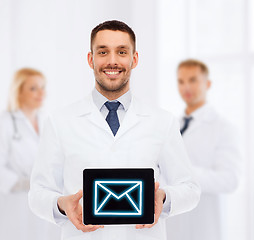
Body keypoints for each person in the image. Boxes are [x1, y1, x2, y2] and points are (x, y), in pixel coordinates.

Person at [28, 20, 201, 240]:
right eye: (103, 52)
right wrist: (61, 205)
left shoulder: (162, 121)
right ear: (91, 59)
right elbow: (37, 194)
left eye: (121, 52)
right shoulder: (60, 121)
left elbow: (190, 189)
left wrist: (163, 198)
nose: (112, 61)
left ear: (134, 59)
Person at [166, 59, 241, 240]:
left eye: (193, 80)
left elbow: (230, 180)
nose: (186, 88)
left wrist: (186, 176)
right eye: (181, 81)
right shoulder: (171, 125)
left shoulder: (222, 127)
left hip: (203, 225)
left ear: (207, 84)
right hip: (173, 222)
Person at [0, 68, 60, 240]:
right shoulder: (4, 123)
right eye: (33, 88)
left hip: (44, 203)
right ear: (18, 92)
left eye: (43, 87)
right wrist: (22, 183)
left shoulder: (47, 122)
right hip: (16, 205)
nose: (41, 93)